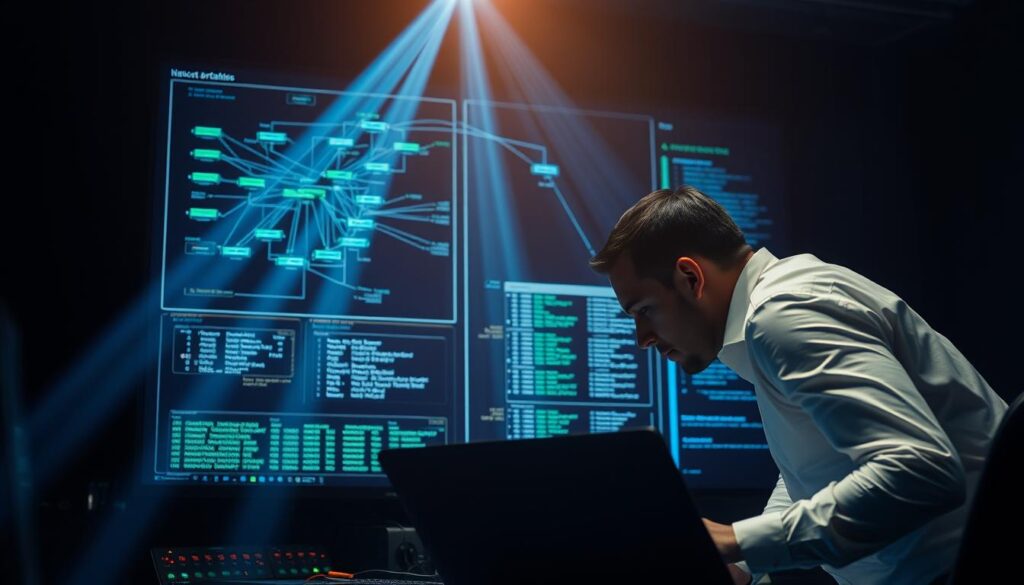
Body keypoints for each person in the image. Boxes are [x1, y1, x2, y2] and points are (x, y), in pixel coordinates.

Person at [588, 185, 1008, 585]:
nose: (642, 338)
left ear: (690, 278)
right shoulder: (781, 304)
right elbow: (820, 469)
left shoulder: (784, 315)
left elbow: (922, 471)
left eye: (644, 310)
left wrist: (735, 540)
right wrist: (741, 563)